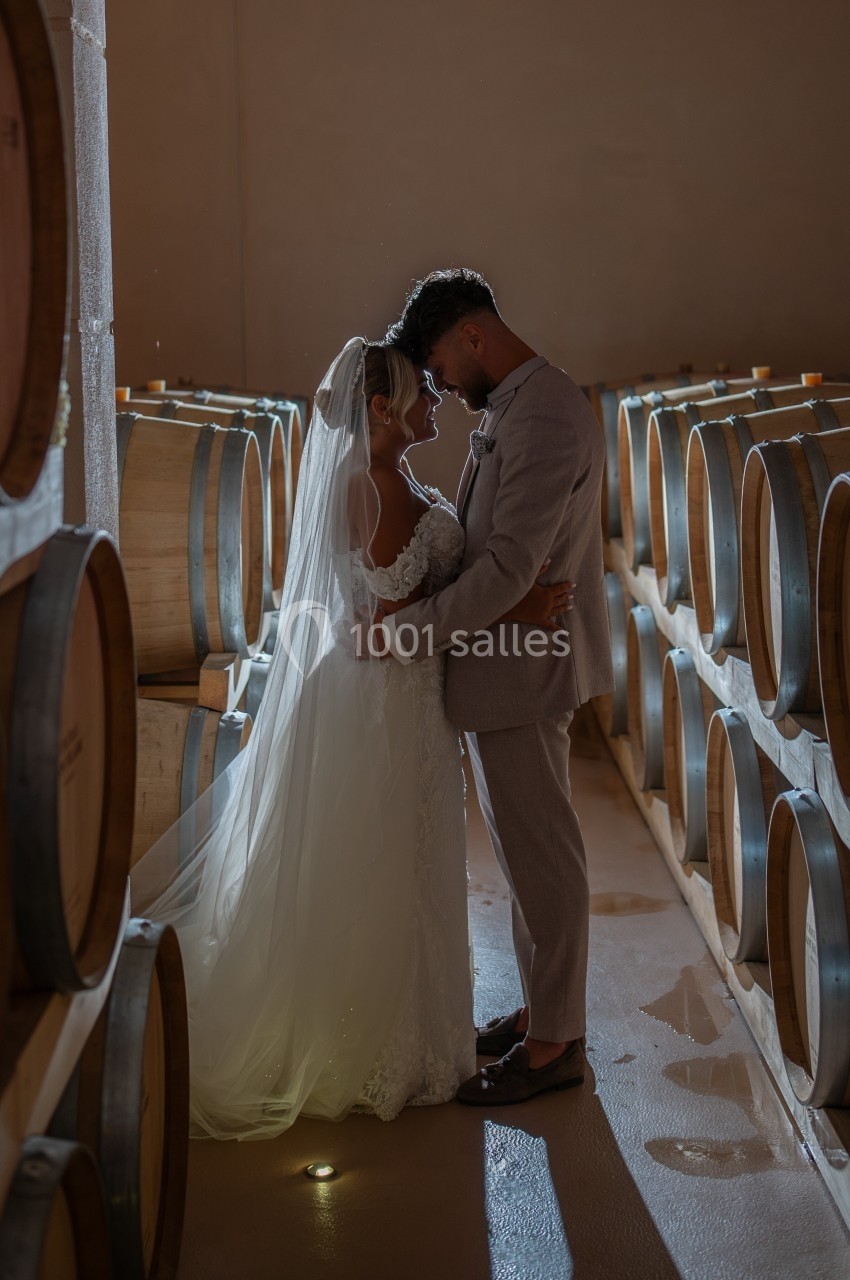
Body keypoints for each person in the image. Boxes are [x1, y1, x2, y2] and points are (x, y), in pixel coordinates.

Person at [130, 336, 568, 1139]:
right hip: (391, 702)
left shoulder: (382, 478)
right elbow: (388, 633)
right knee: (392, 859)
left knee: (388, 857)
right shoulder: (378, 487)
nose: (435, 400)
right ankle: (390, 1045)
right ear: (379, 407)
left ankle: (402, 1031)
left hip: (388, 700)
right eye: (421, 393)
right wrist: (519, 612)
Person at [383, 269, 615, 1105]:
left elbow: (513, 565)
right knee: (524, 854)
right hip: (503, 662)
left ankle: (556, 1047)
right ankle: (542, 1009)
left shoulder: (546, 412)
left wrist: (408, 629)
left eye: (440, 360)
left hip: (523, 669)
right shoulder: (518, 403)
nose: (439, 380)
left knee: (542, 853)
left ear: (473, 335)